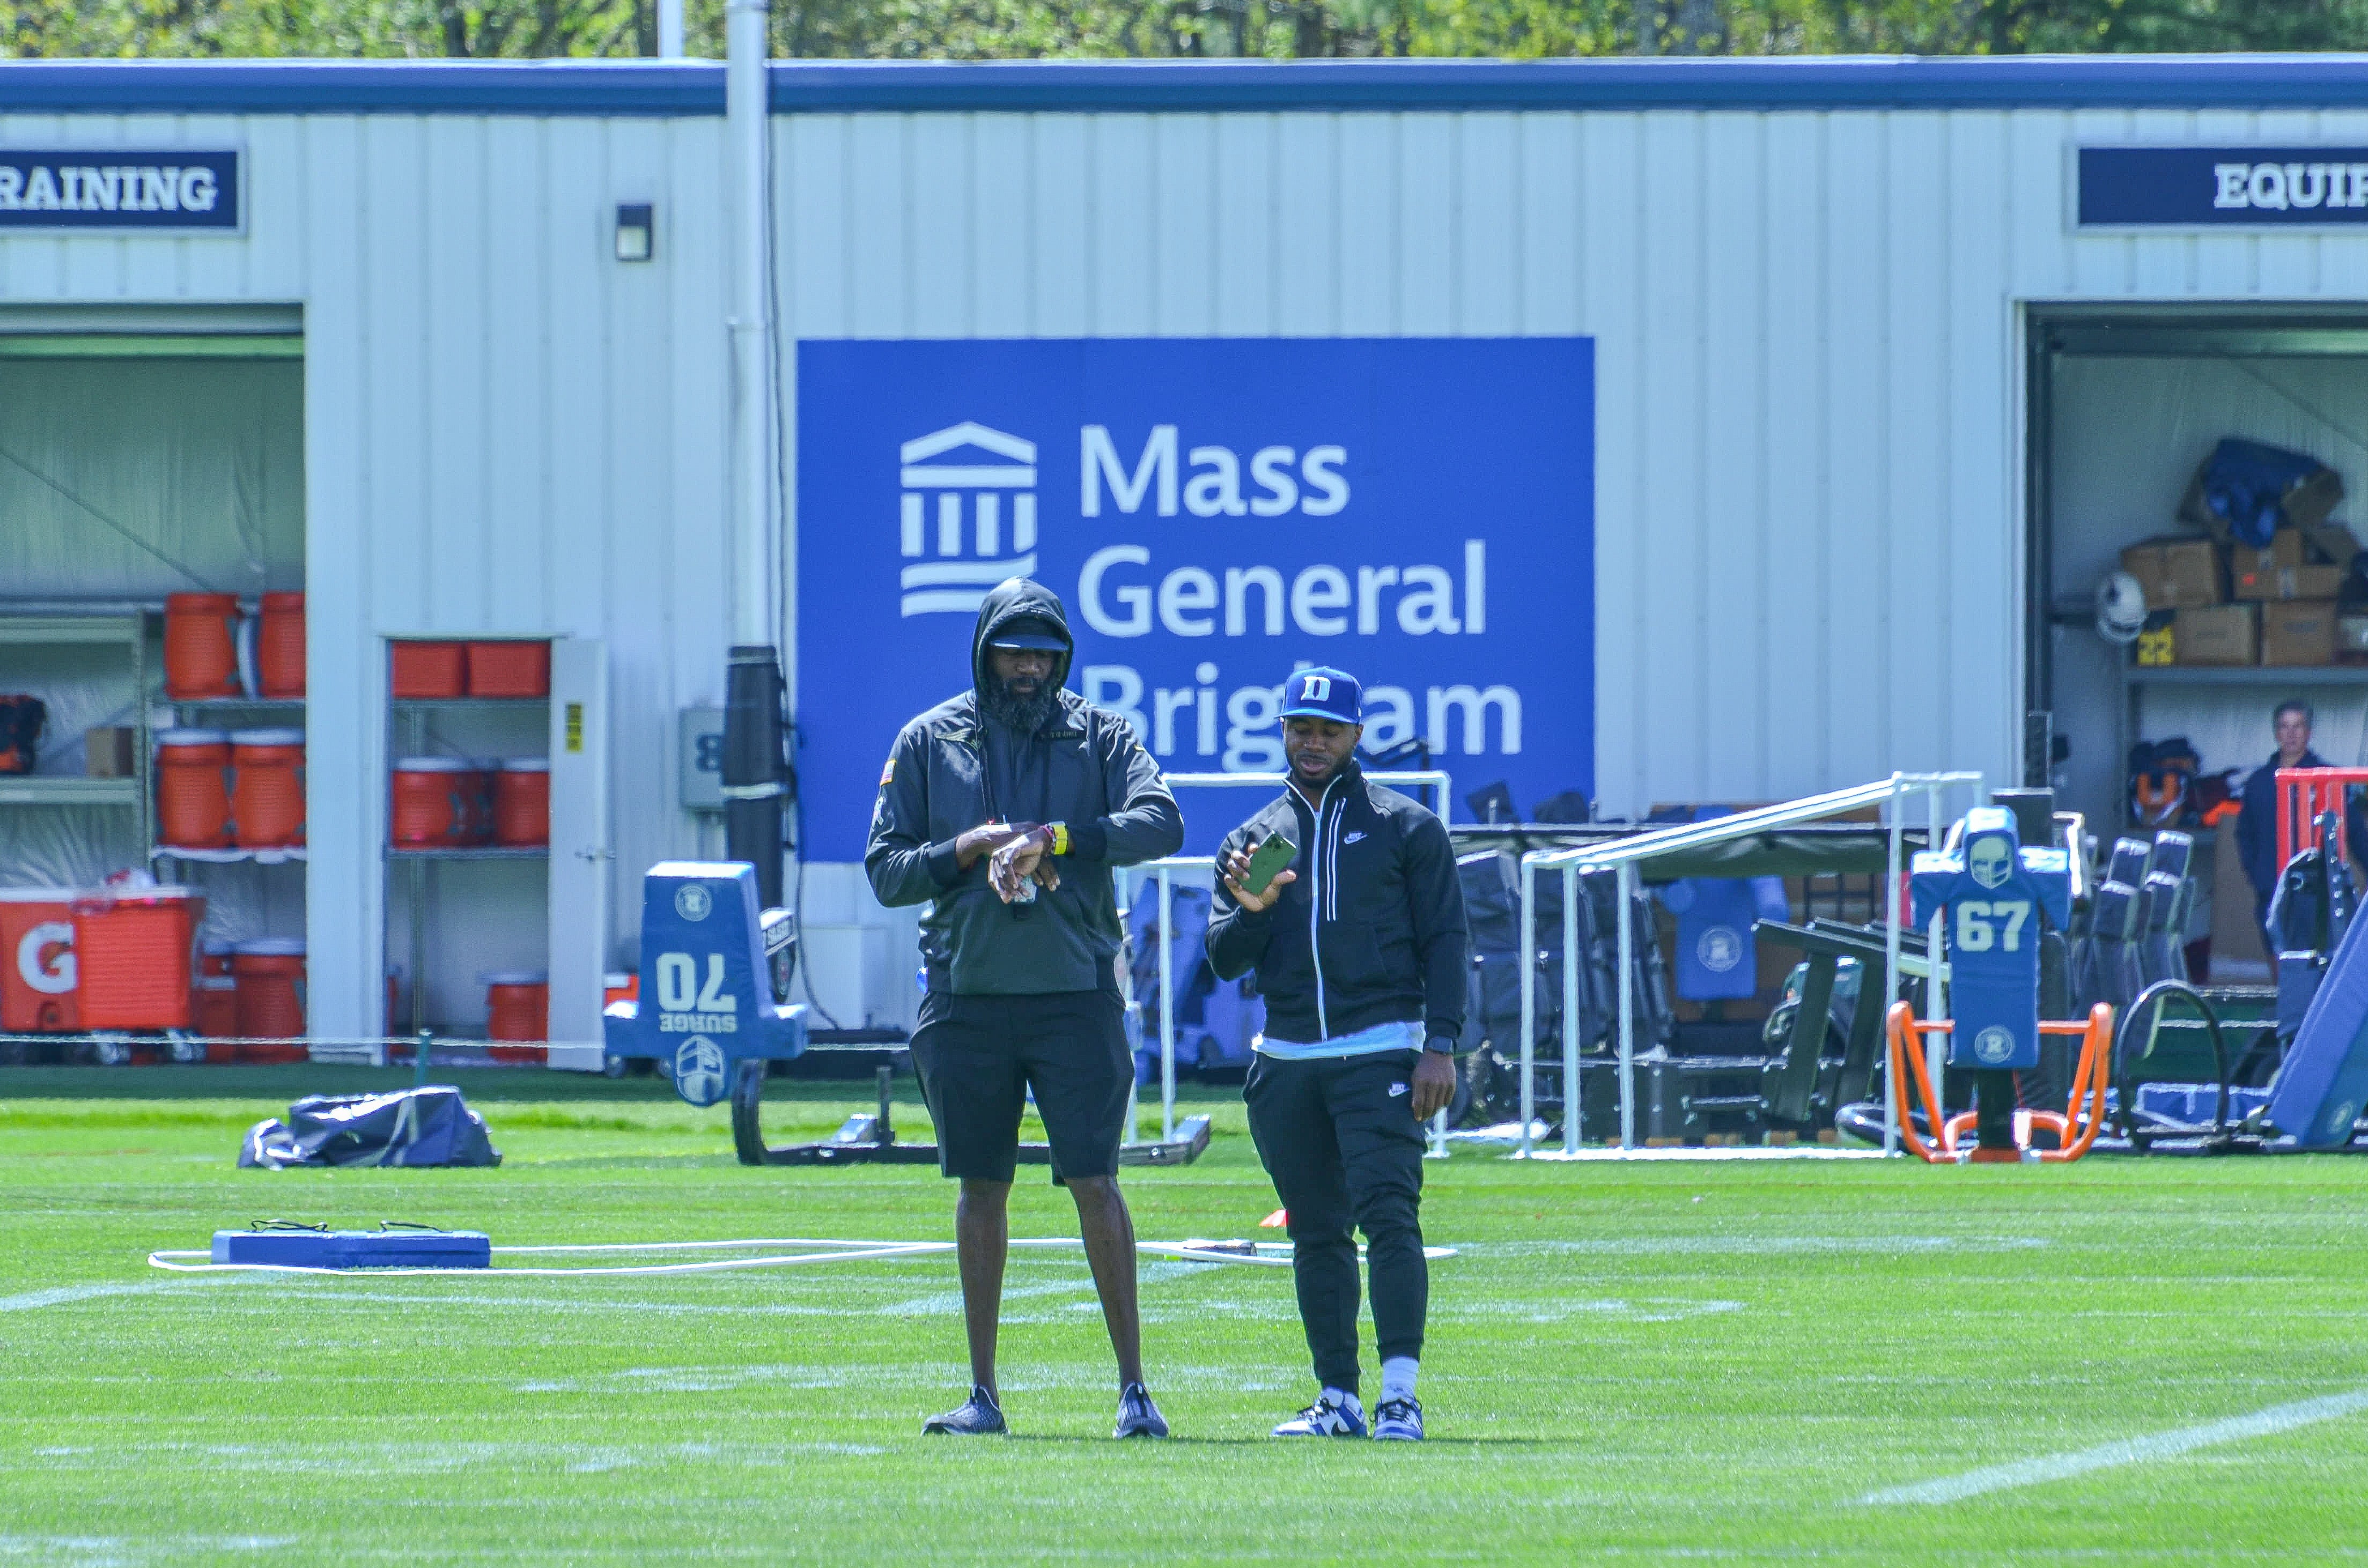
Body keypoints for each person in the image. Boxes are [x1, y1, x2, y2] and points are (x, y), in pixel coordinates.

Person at [865, 577, 1184, 1440]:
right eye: (1013, 650)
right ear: (984, 652)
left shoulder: (1099, 733)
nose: (1028, 667)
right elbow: (885, 870)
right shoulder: (929, 740)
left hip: (1075, 997)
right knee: (981, 1188)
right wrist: (960, 848)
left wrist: (1059, 836)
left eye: (1043, 652)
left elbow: (1163, 822)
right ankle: (981, 1395)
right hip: (966, 1000)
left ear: (1062, 658)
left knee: (1094, 1181)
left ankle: (1134, 1392)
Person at [1204, 666, 1469, 1443]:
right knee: (1314, 1230)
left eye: (1328, 729)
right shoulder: (1257, 838)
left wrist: (1440, 1044)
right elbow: (1223, 956)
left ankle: (1399, 1396)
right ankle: (1337, 1397)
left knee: (1389, 1216)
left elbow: (1446, 939)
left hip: (1380, 1051)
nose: (1312, 741)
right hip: (1286, 1060)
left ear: (1357, 736)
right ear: (1281, 730)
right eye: (1299, 727)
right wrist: (1252, 911)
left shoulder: (1402, 825)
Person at [2234, 698, 2368, 953]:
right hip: (2271, 888)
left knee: (2320, 964)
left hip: (2320, 890)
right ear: (2276, 733)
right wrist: (2259, 876)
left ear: (2309, 732)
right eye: (2285, 727)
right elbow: (2245, 836)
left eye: (2298, 726)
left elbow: (2355, 833)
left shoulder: (2329, 779)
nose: (2291, 734)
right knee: (2281, 966)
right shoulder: (2259, 782)